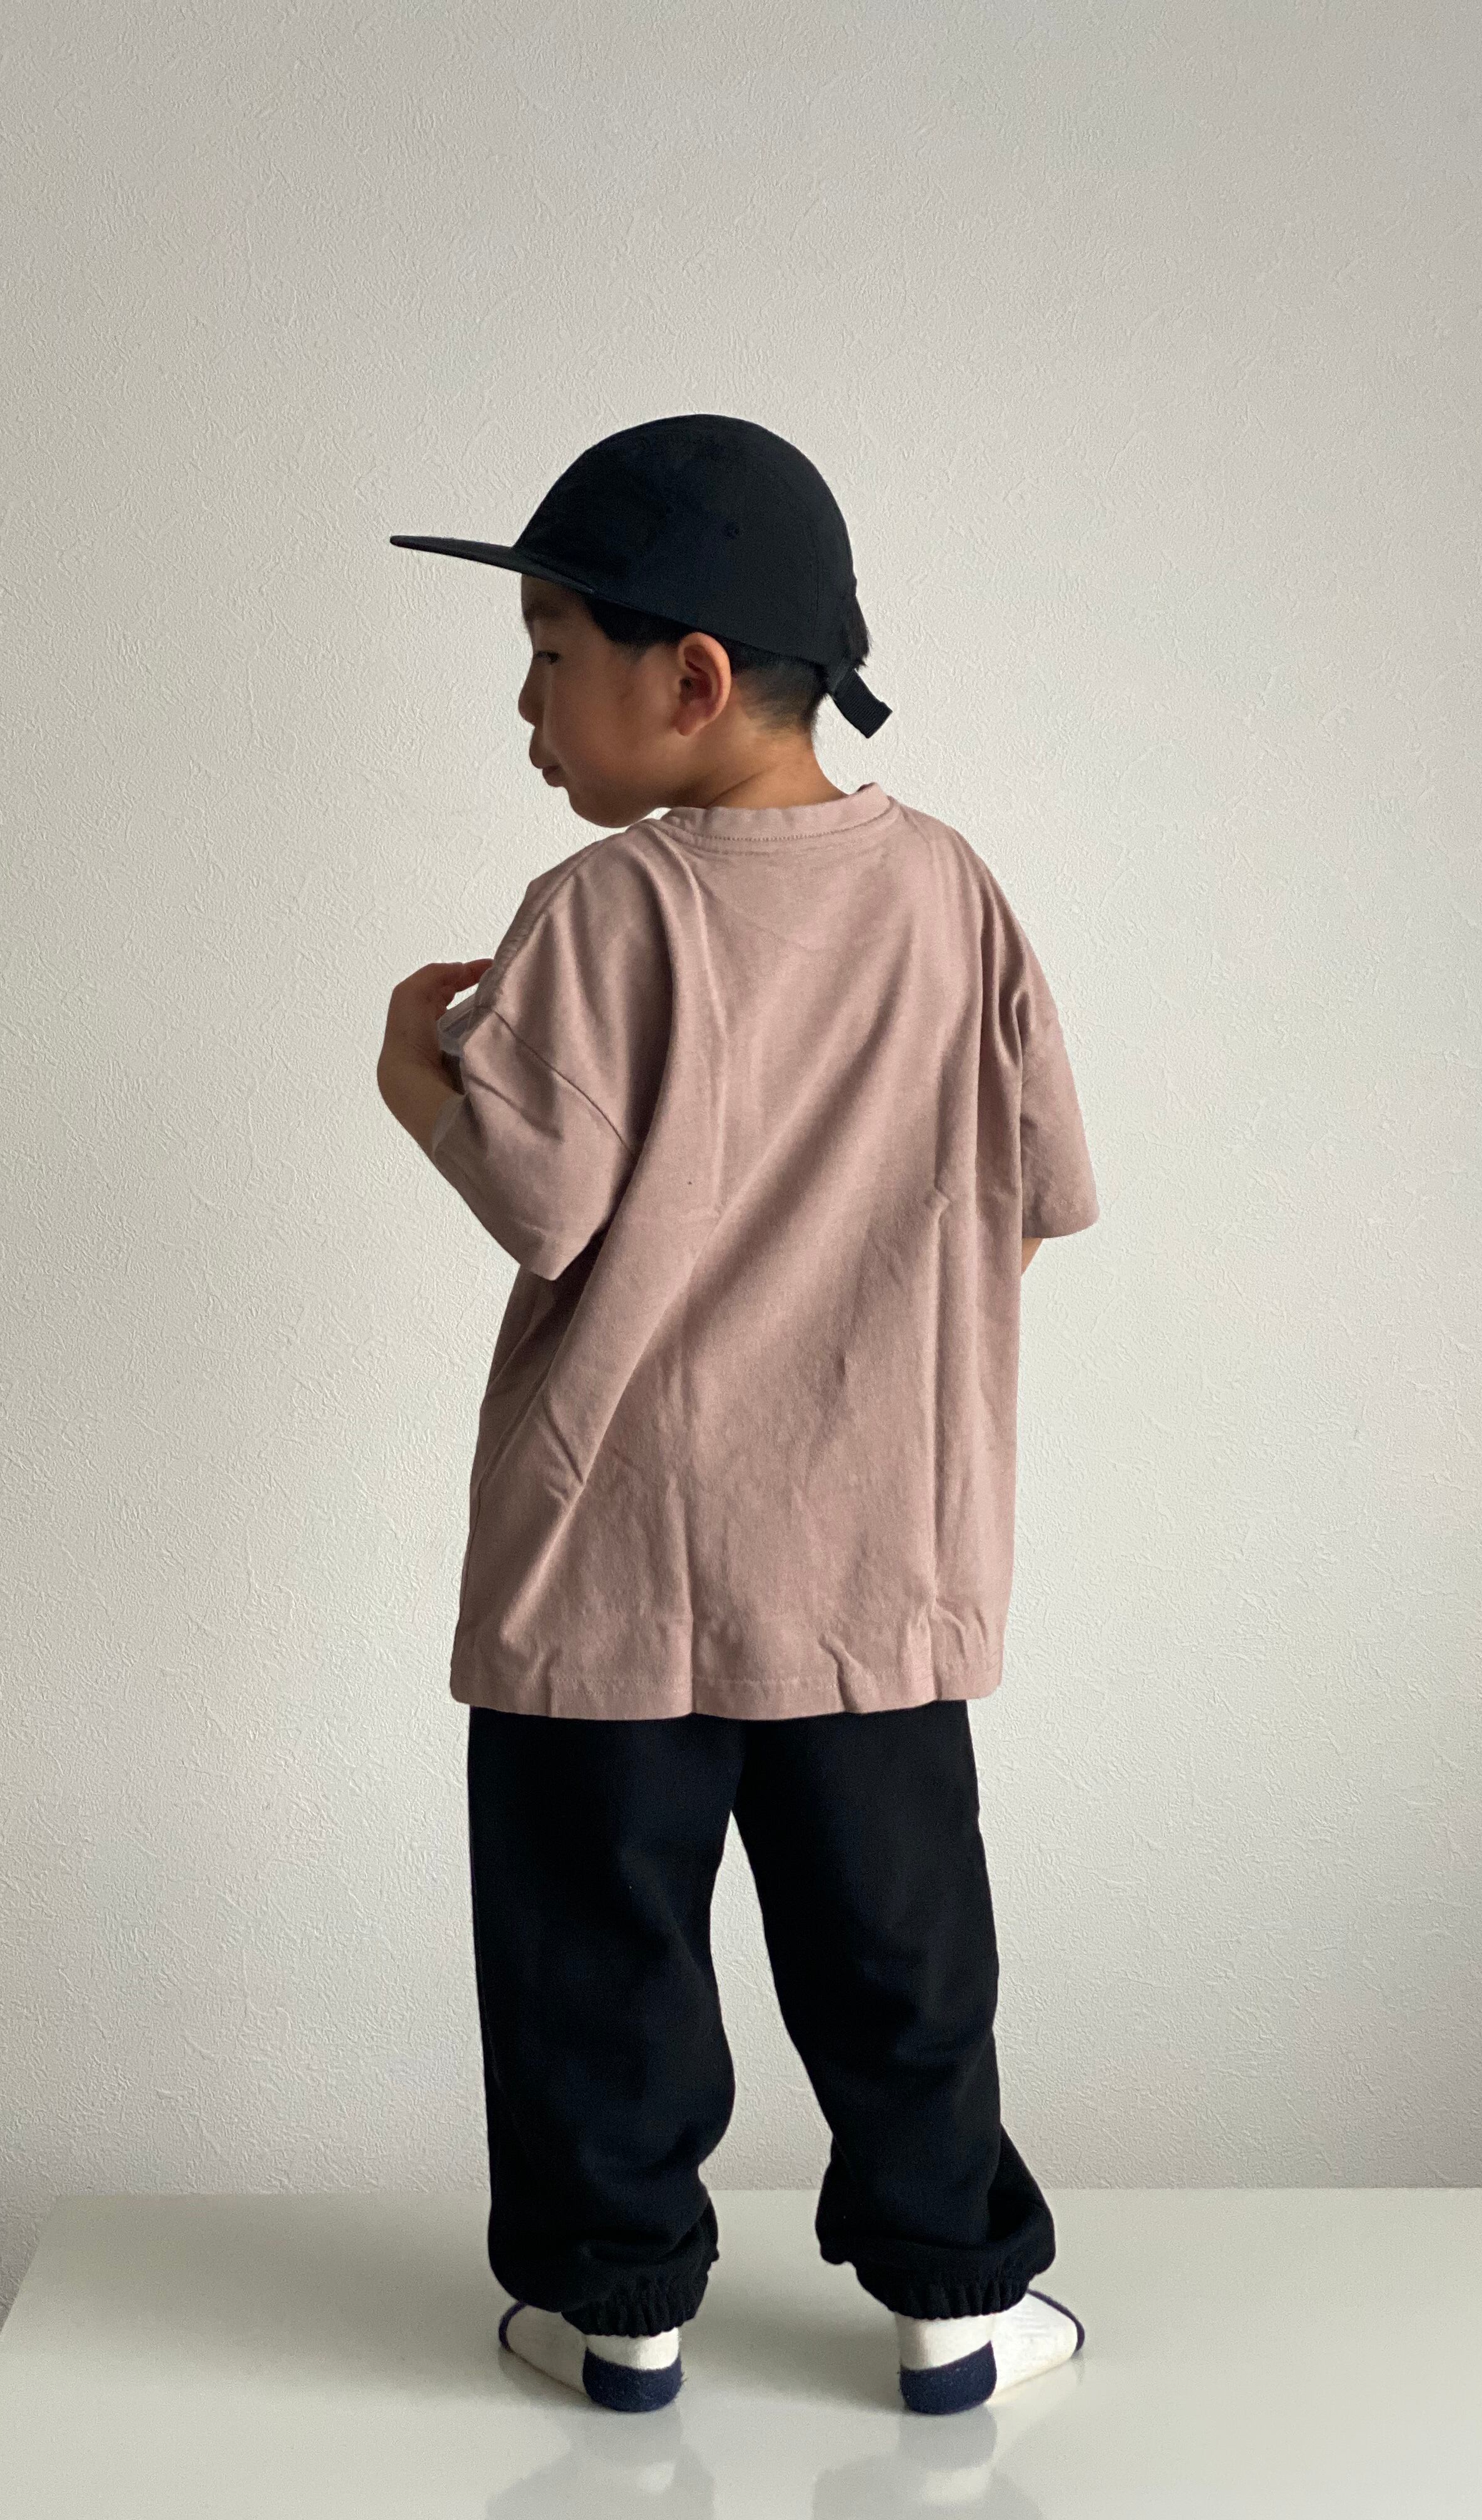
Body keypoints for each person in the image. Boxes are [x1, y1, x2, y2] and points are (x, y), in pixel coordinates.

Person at [375, 414, 1100, 2418]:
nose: (529, 705)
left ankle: (620, 2315)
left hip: (609, 1562)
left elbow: (540, 1200)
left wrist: (412, 1071)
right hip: (871, 1563)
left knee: (596, 1954)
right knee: (900, 1951)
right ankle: (954, 2308)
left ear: (689, 675)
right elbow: (1039, 1194)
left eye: (549, 653)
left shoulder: (600, 910)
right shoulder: (952, 892)